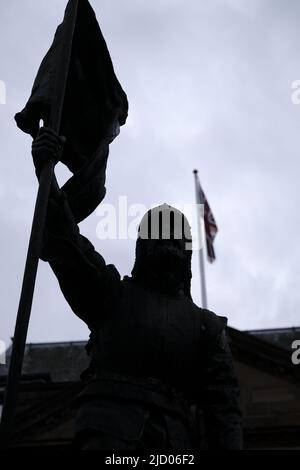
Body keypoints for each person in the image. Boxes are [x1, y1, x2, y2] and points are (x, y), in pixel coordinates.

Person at [31, 127, 242, 450]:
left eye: (173, 237)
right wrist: (46, 176)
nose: (166, 243)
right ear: (142, 247)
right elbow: (66, 244)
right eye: (159, 235)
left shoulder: (207, 328)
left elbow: (224, 414)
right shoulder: (110, 295)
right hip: (107, 437)